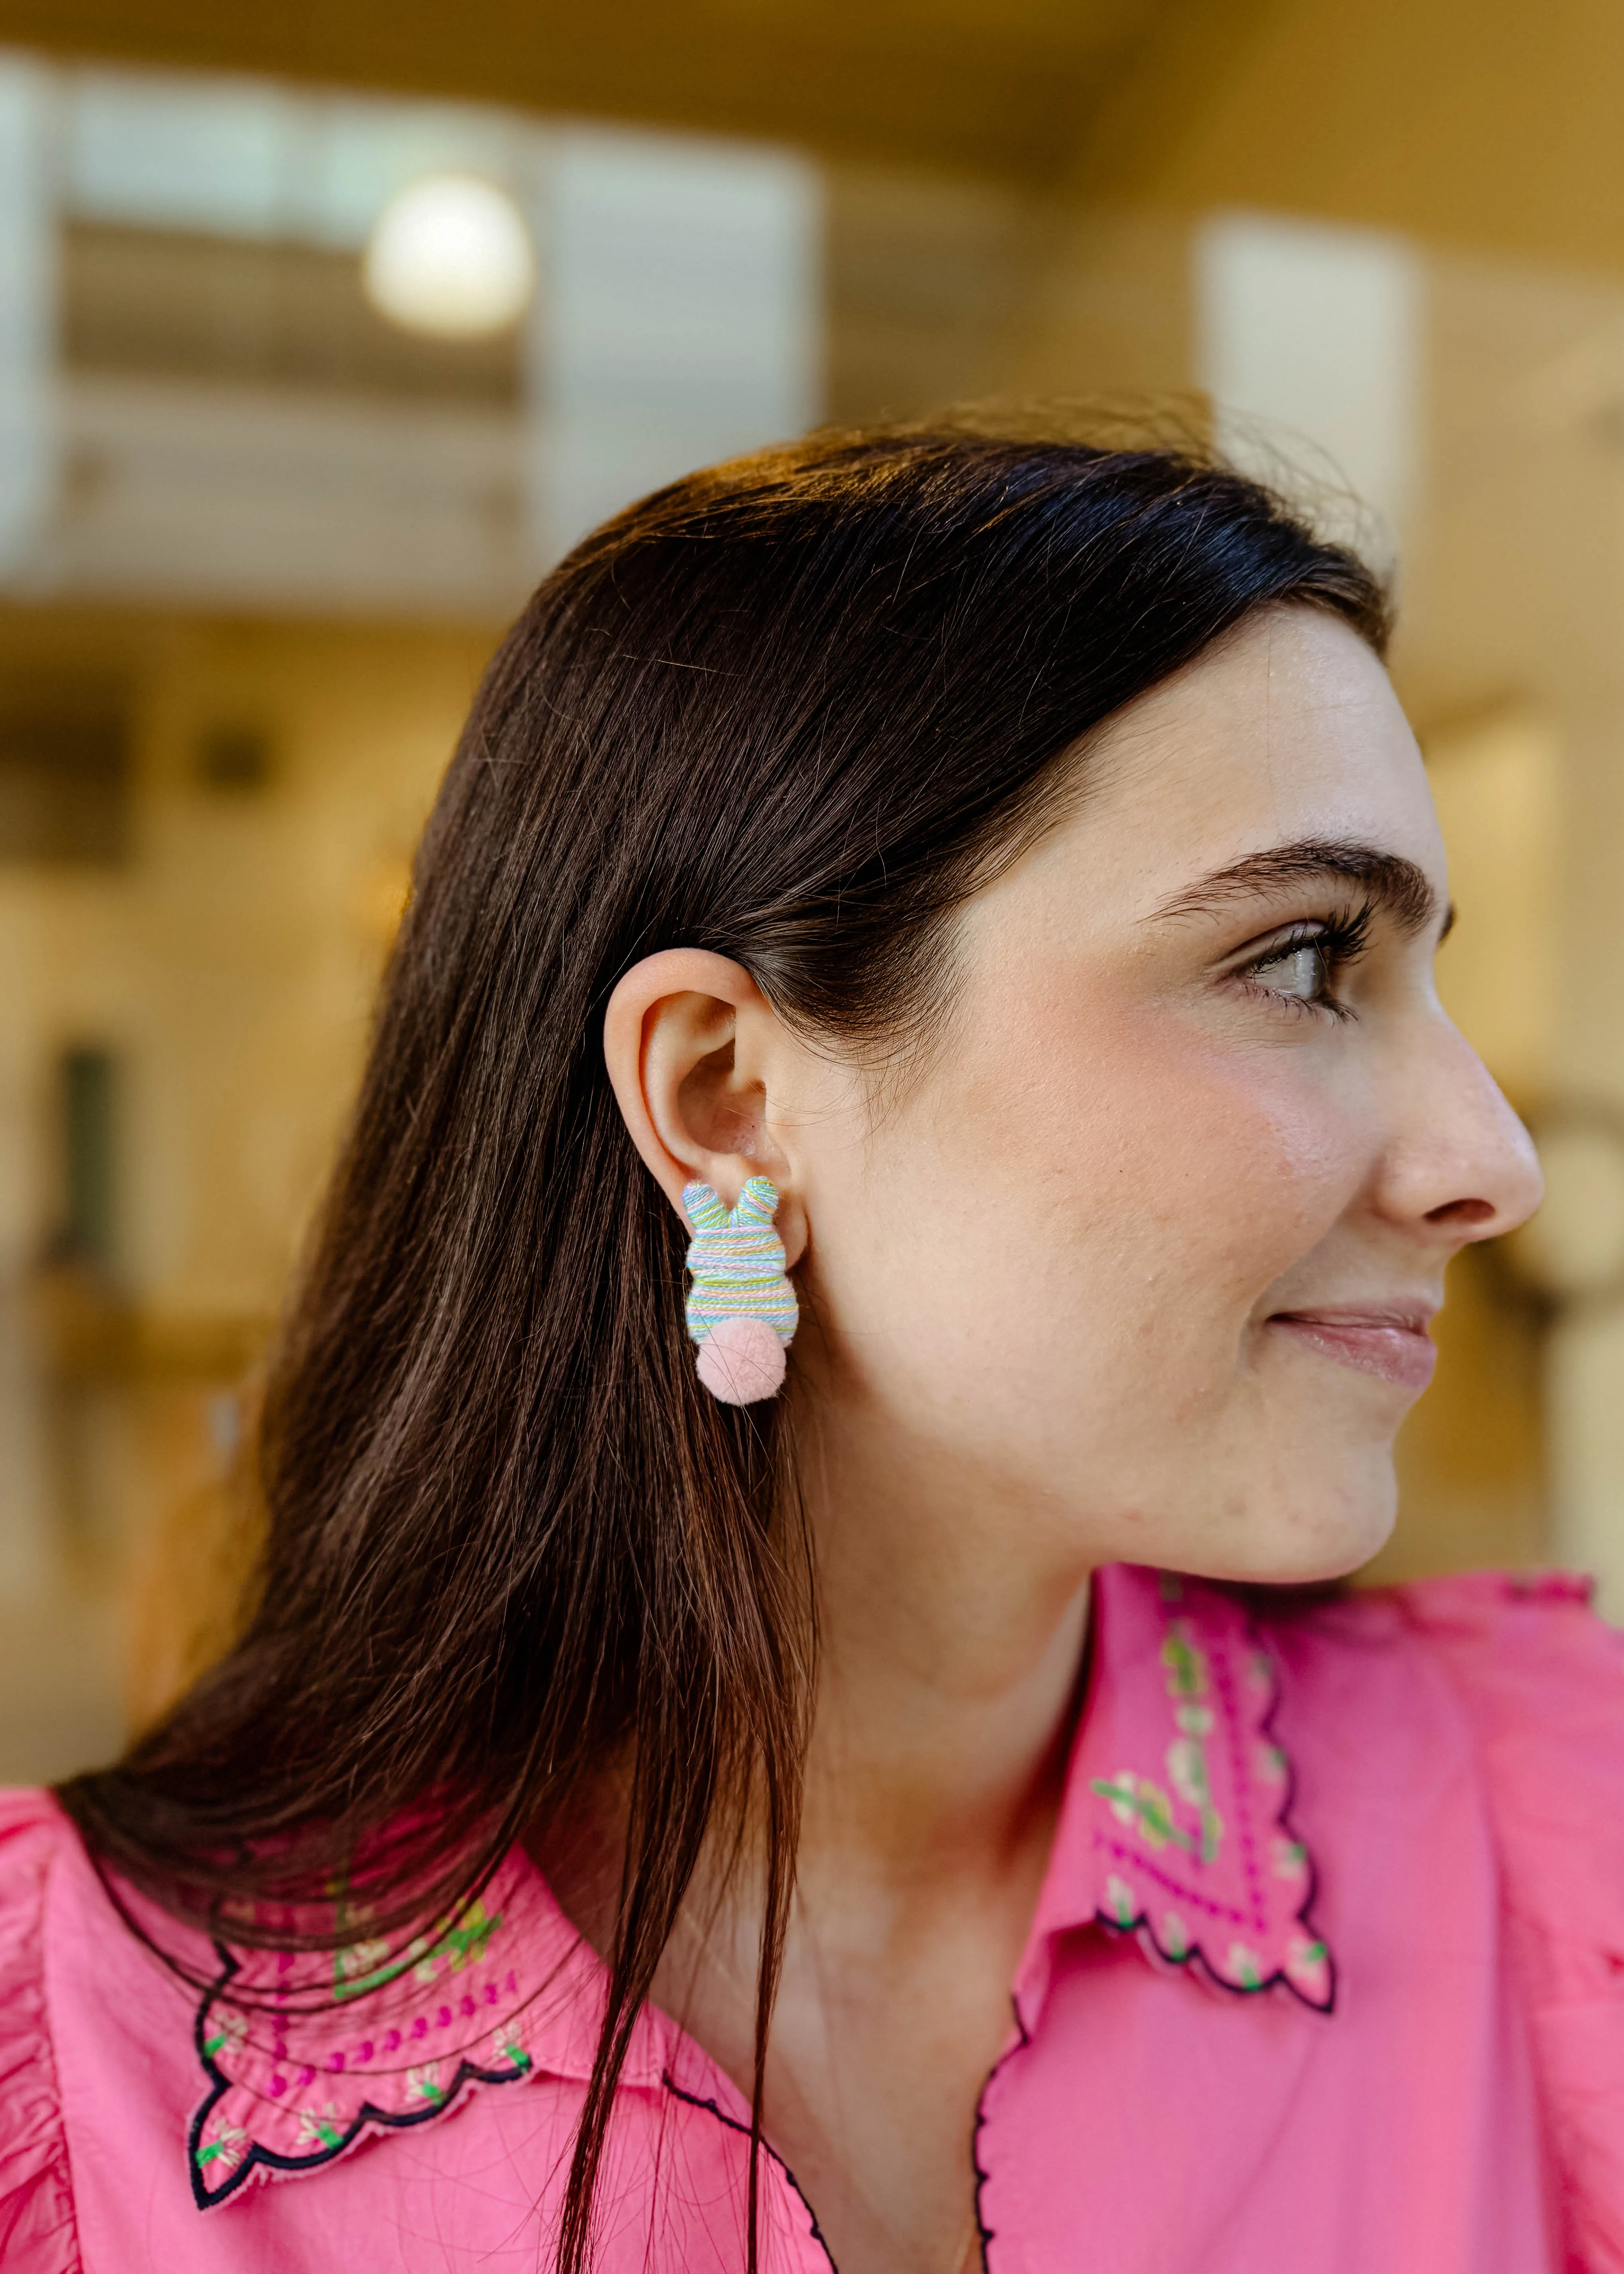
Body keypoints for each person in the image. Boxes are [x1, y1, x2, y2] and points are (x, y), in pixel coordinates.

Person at [1, 420, 1617, 2274]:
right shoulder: (80, 2070)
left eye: (1430, 982)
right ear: (726, 1097)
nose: (1487, 1162)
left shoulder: (1554, 1847)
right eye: (1303, 959)